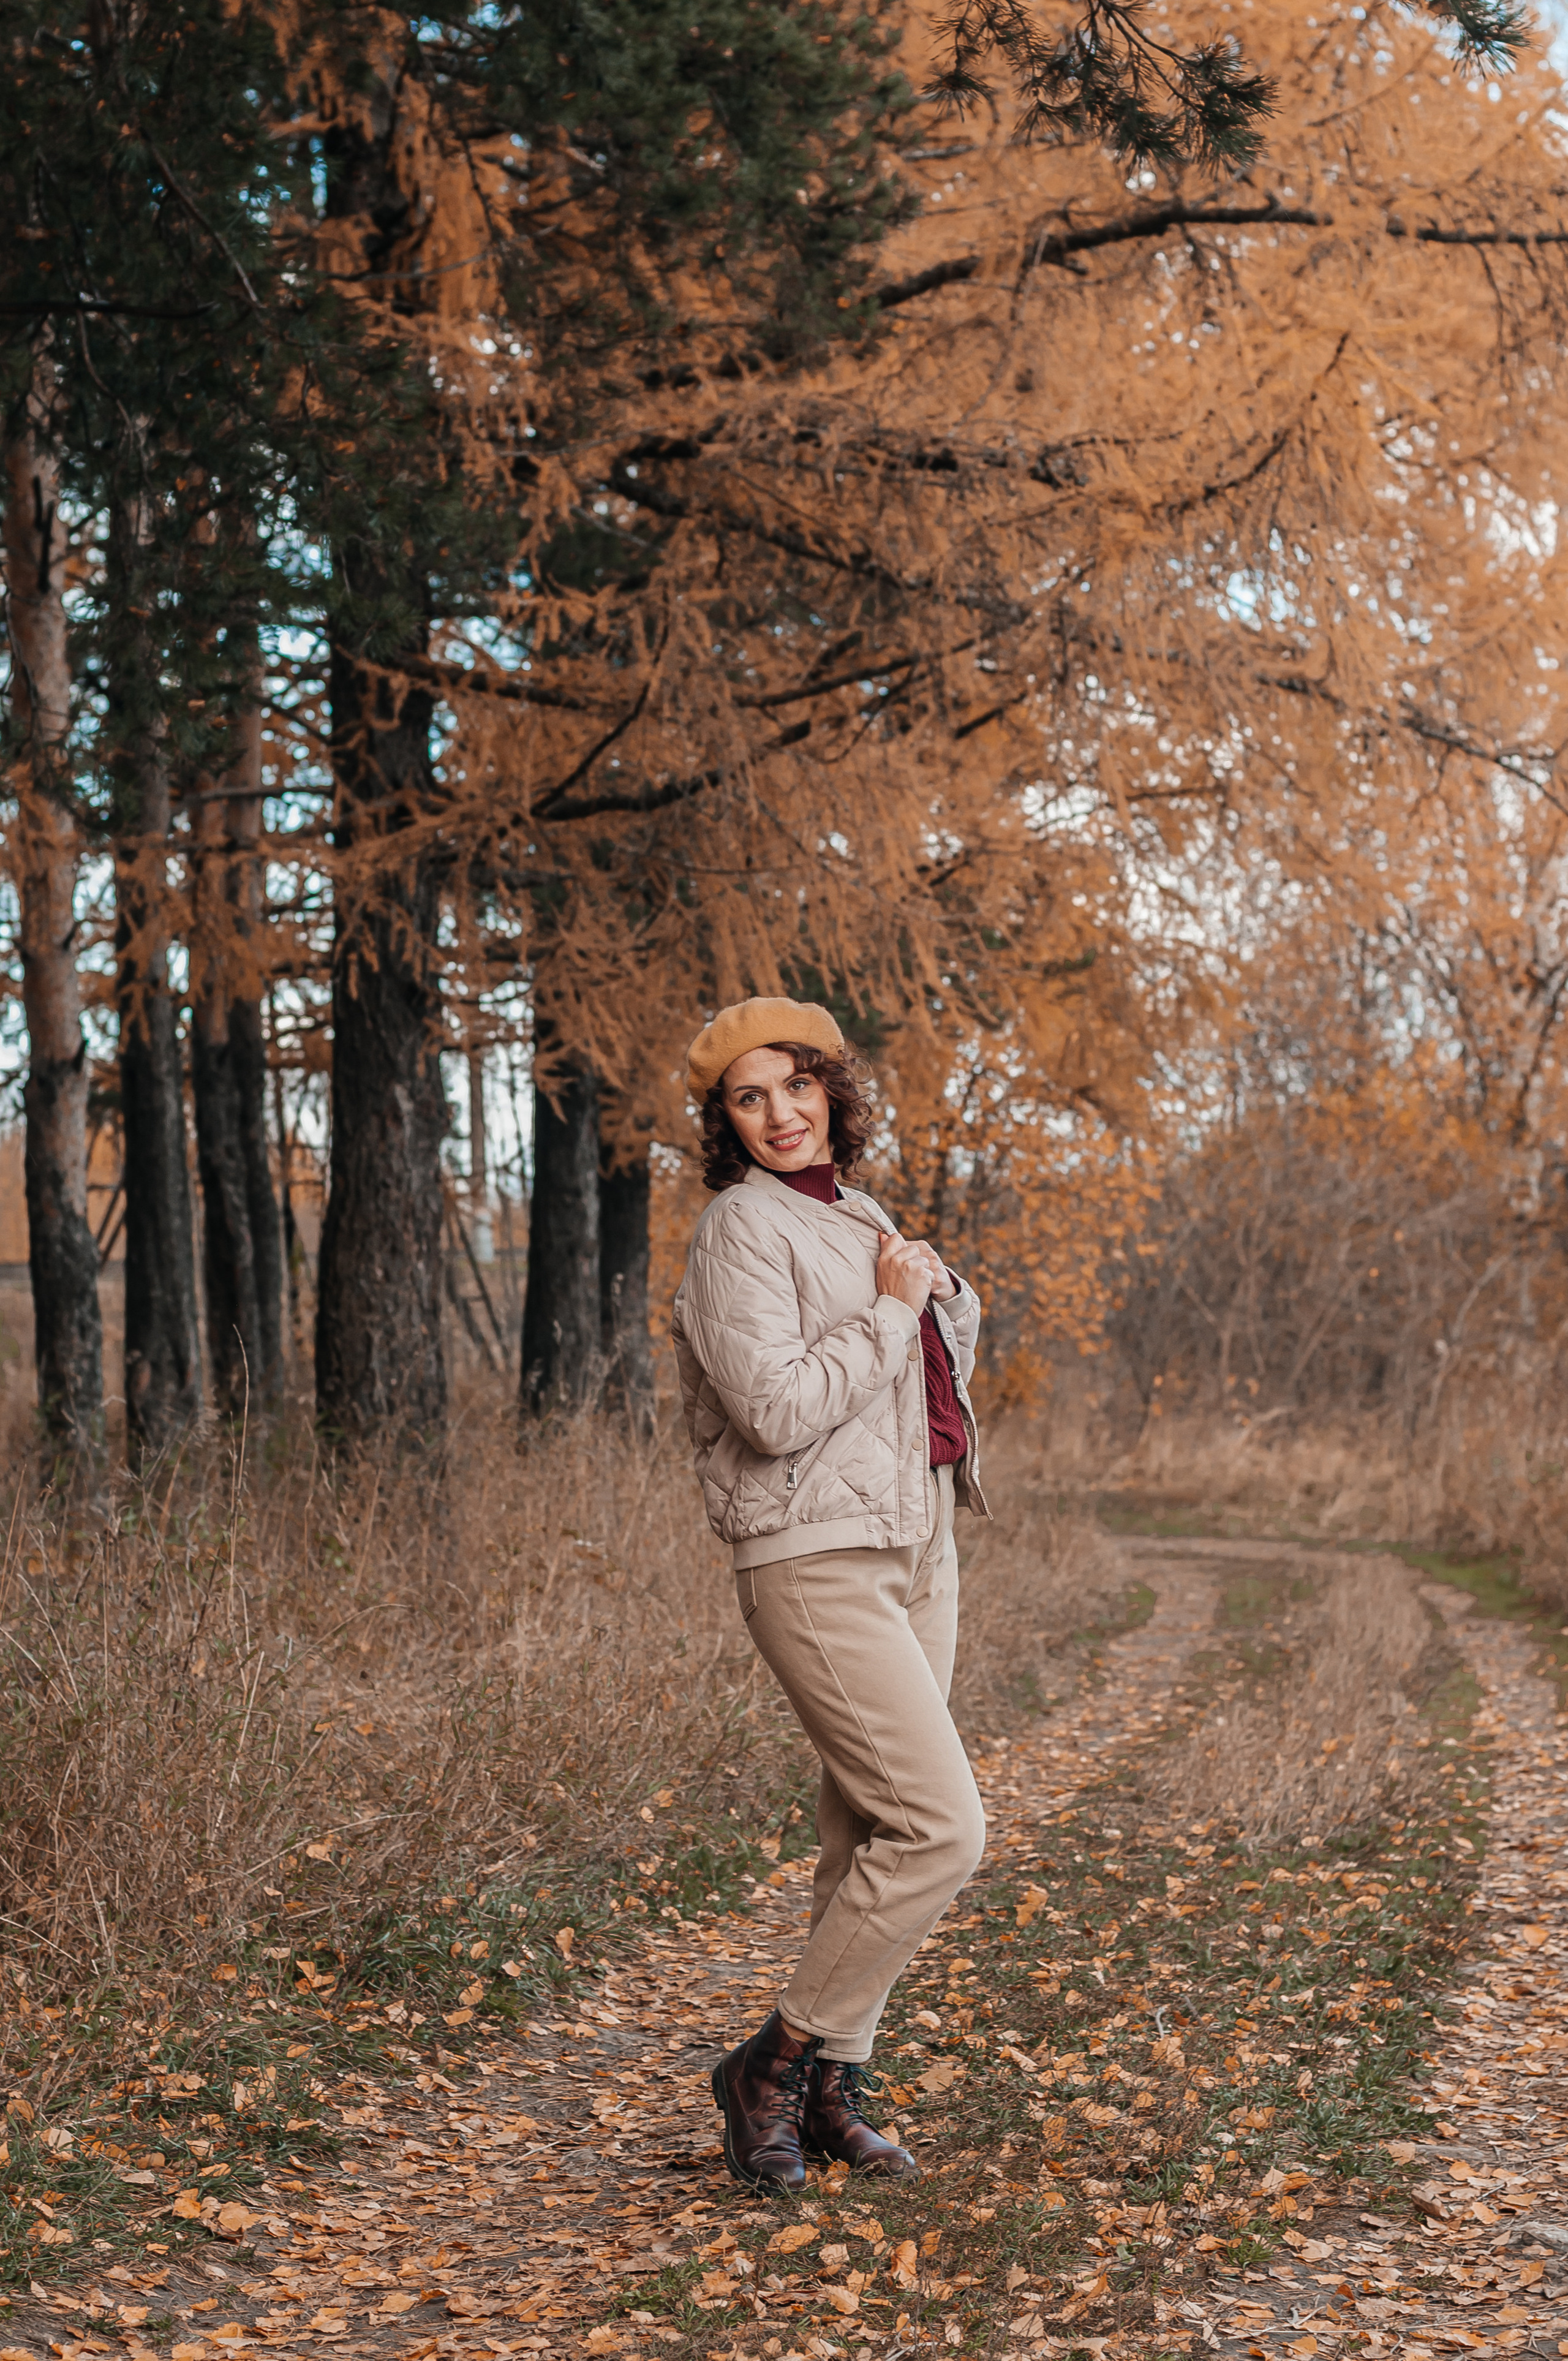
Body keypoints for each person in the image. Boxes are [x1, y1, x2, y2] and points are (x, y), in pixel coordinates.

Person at [671, 995, 990, 2194]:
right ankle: (772, 2062)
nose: (778, 1113)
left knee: (863, 1829)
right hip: (809, 1554)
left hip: (916, 1538)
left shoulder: (858, 1214)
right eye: (747, 1098)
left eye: (795, 1086)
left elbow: (923, 1365)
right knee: (941, 1824)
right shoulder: (737, 1233)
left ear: (829, 1090)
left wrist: (933, 1292)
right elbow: (779, 1407)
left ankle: (823, 2099)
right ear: (725, 1121)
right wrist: (896, 1305)